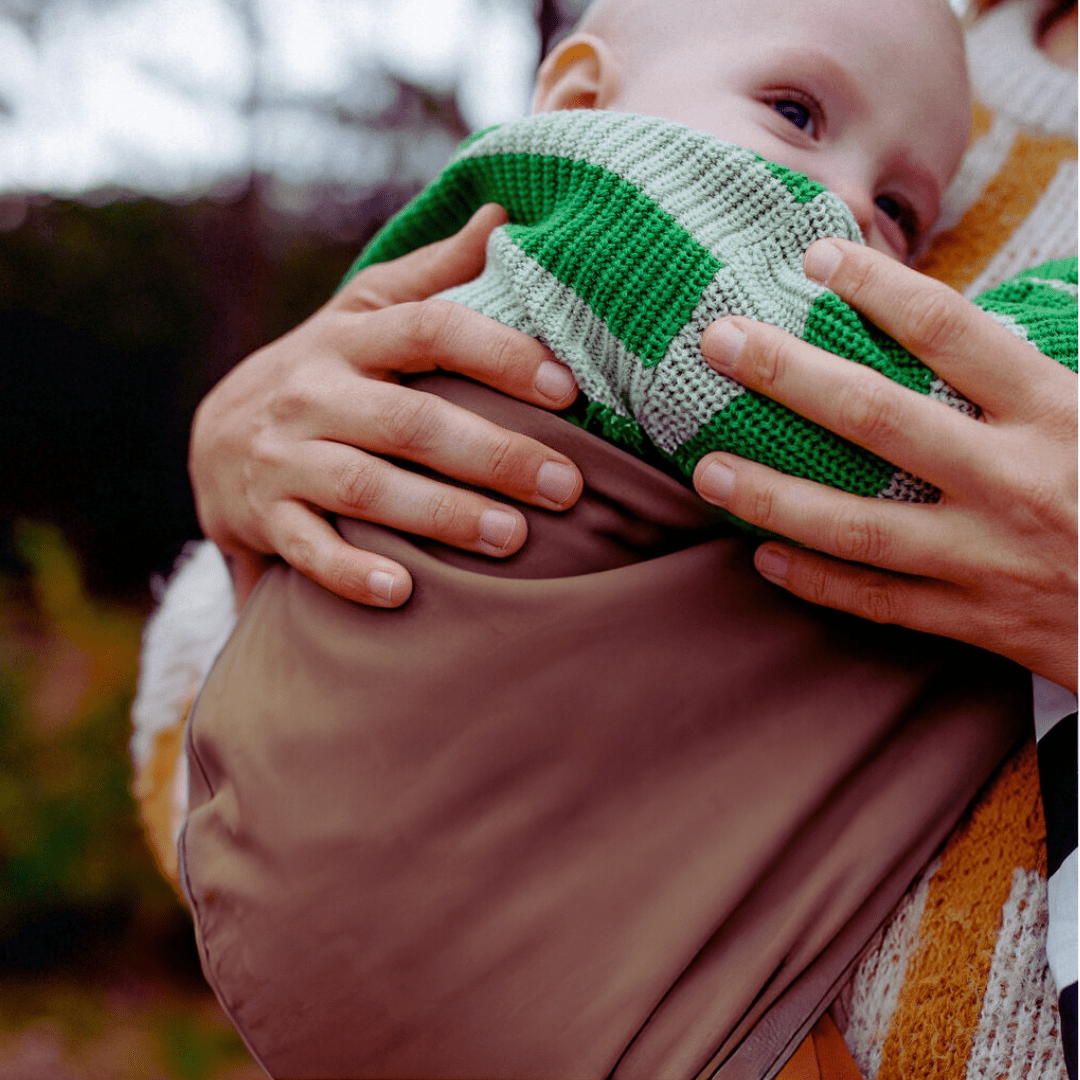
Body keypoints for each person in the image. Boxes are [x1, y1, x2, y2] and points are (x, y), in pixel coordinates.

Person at [131, 0, 1077, 1076]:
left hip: (593, 956)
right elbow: (898, 433)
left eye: (905, 209)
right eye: (795, 114)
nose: (850, 205)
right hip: (490, 910)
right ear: (581, 101)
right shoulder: (635, 212)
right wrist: (238, 449)